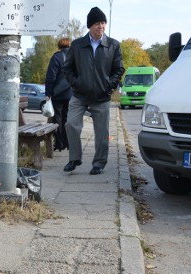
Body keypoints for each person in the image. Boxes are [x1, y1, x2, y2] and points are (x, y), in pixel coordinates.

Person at [62, 6, 125, 174]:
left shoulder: (113, 45)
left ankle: (99, 163)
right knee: (71, 124)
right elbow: (67, 69)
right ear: (90, 26)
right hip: (79, 95)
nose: (101, 26)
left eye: (103, 23)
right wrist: (77, 84)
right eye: (97, 23)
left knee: (102, 133)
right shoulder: (77, 45)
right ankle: (74, 158)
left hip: (102, 96)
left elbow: (119, 69)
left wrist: (108, 86)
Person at [44, 37, 72, 151]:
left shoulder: (56, 57)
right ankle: (69, 143)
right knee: (68, 119)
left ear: (59, 45)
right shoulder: (75, 57)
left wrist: (48, 93)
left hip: (58, 94)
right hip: (71, 94)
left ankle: (59, 144)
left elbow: (51, 76)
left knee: (57, 120)